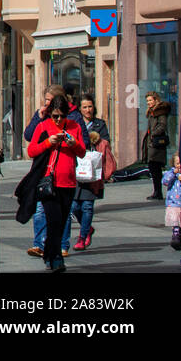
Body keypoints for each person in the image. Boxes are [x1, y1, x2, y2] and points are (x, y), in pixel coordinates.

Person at [27, 92, 86, 272]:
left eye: (62, 116)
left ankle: (49, 255)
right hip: (49, 183)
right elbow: (31, 150)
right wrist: (48, 142)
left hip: (68, 183)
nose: (59, 119)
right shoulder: (43, 126)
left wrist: (73, 143)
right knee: (53, 221)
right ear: (50, 113)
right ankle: (55, 257)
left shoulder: (74, 126)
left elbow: (82, 152)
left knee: (61, 222)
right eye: (55, 116)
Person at [22, 85, 70, 258]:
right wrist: (38, 117)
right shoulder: (43, 121)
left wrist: (70, 142)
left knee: (64, 211)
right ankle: (40, 244)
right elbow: (29, 137)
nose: (47, 104)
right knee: (41, 209)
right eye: (46, 100)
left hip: (65, 174)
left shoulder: (72, 120)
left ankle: (62, 245)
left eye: (50, 100)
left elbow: (82, 144)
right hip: (44, 170)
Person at [71, 95, 113, 251]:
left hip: (93, 172)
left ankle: (82, 237)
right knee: (74, 207)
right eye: (85, 107)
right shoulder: (75, 124)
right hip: (77, 169)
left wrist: (95, 140)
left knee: (87, 206)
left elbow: (106, 143)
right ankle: (87, 228)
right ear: (79, 109)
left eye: (90, 106)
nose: (88, 110)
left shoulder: (100, 124)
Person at [143, 91, 172, 201]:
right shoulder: (152, 112)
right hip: (153, 143)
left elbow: (162, 125)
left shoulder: (160, 112)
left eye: (150, 100)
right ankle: (156, 191)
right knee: (153, 168)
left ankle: (158, 192)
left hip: (157, 144)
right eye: (147, 101)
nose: (148, 102)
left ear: (156, 100)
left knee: (155, 168)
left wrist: (153, 133)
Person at [163, 155, 181, 260]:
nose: (179, 166)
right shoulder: (170, 173)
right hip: (174, 203)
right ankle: (176, 236)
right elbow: (165, 181)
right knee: (176, 221)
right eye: (177, 163)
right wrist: (174, 174)